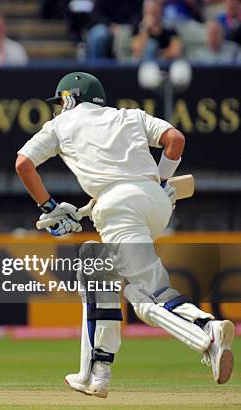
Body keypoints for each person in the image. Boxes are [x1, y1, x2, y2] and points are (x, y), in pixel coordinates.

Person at [15, 72, 235, 398]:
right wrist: (160, 182)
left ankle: (206, 331)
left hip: (119, 208)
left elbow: (23, 163)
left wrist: (48, 206)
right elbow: (175, 140)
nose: (59, 108)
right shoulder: (130, 116)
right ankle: (97, 371)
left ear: (72, 98)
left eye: (60, 102)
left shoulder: (62, 124)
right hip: (154, 203)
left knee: (145, 298)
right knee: (95, 266)